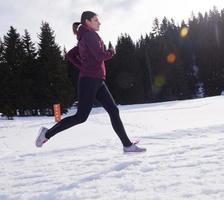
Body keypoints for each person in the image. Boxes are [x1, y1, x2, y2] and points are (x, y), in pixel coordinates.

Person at [35, 11, 146, 153]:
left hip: (97, 80)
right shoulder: (90, 35)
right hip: (90, 80)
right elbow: (100, 56)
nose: (99, 23)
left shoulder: (83, 38)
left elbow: (70, 55)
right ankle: (46, 134)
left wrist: (83, 67)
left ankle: (127, 145)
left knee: (113, 110)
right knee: (81, 117)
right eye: (96, 20)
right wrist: (111, 52)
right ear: (87, 22)